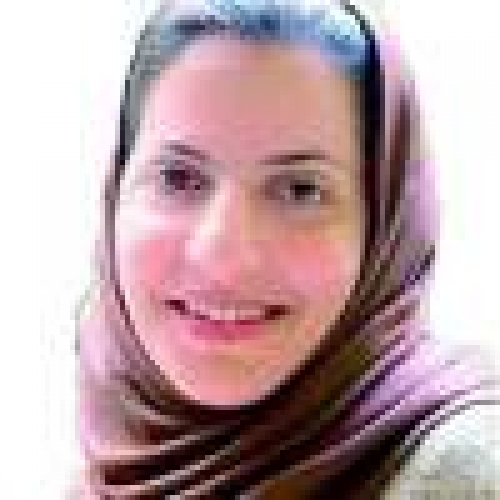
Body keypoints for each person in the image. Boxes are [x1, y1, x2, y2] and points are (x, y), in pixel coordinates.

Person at [75, 0, 500, 498]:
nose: (223, 256)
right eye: (179, 178)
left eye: (300, 190)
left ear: (388, 227)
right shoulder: (119, 435)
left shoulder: (464, 473)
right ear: (117, 191)